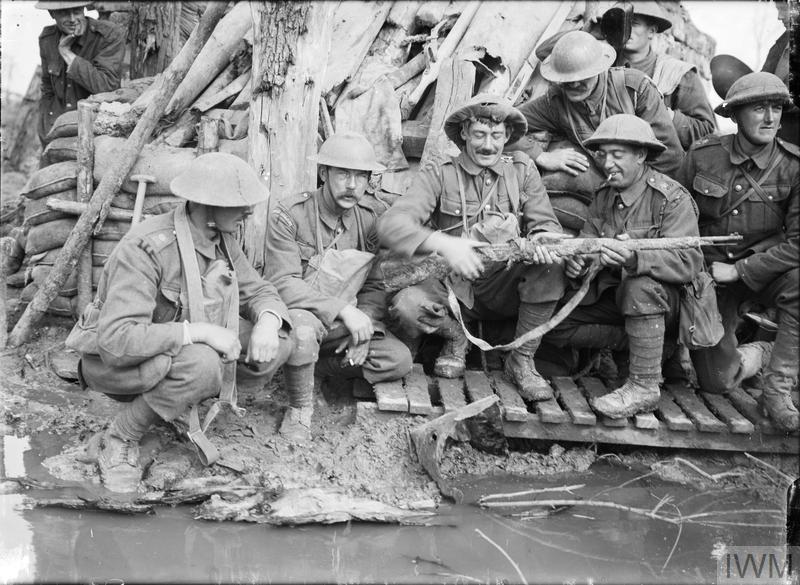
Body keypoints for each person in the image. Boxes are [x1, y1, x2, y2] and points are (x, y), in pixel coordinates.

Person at [72, 153, 296, 492]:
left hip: (170, 356)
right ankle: (119, 437)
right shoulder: (146, 249)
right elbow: (117, 341)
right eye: (239, 204)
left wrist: (267, 320)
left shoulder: (221, 240)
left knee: (280, 338)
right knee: (203, 364)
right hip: (113, 364)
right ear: (207, 204)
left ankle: (174, 403)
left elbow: (258, 290)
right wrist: (200, 331)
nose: (249, 211)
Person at [378, 94, 566, 402]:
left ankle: (522, 359)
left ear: (507, 136)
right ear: (464, 133)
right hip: (449, 288)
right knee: (407, 306)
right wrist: (444, 244)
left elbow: (546, 223)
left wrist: (544, 239)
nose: (488, 145)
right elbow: (390, 225)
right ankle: (454, 337)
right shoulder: (441, 173)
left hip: (503, 287)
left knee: (551, 265)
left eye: (496, 135)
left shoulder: (521, 169)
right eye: (479, 134)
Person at [545, 114, 702, 418]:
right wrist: (579, 260)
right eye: (603, 155)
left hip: (669, 306)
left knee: (639, 285)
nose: (607, 163)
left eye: (618, 155)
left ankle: (644, 385)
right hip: (617, 299)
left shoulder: (671, 198)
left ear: (641, 155)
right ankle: (643, 346)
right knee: (553, 319)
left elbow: (690, 262)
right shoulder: (604, 196)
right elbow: (588, 239)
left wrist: (635, 259)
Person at [264, 132, 413, 441]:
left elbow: (375, 283)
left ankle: (316, 369)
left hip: (344, 324)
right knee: (304, 334)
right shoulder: (291, 214)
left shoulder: (372, 218)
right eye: (343, 173)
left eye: (360, 176)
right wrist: (344, 310)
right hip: (302, 317)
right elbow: (282, 283)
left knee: (398, 359)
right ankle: (299, 408)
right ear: (323, 173)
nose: (351, 184)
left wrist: (366, 326)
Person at [677, 72, 799, 431]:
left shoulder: (794, 166)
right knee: (718, 382)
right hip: (709, 277)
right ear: (734, 115)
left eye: (776, 108)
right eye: (759, 108)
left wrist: (742, 271)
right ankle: (761, 353)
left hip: (763, 273)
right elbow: (676, 213)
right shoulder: (704, 156)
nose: (770, 118)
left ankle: (777, 391)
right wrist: (697, 275)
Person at [514, 30, 684, 187]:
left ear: (598, 69)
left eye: (582, 76)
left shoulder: (635, 89)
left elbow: (669, 156)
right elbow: (502, 121)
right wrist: (542, 156)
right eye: (566, 78)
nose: (574, 83)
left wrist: (634, 195)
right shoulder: (555, 101)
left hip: (642, 185)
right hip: (602, 182)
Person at [610, 1, 716, 149]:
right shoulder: (602, 68)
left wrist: (663, 114)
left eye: (633, 23)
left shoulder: (678, 73)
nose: (625, 29)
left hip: (660, 163)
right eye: (621, 22)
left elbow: (705, 131)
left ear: (652, 31)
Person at [35, 1, 125, 143]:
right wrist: (44, 126)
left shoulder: (108, 35)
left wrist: (66, 53)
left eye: (76, 11)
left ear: (83, 9)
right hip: (55, 129)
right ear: (52, 14)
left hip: (96, 128)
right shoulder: (47, 39)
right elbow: (47, 88)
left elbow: (108, 86)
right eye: (64, 13)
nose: (72, 19)